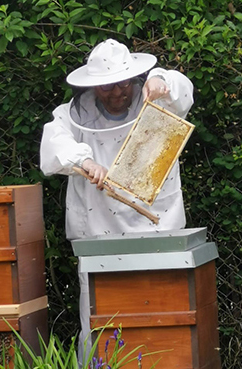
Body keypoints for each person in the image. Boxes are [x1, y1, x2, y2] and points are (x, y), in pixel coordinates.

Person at [39, 39, 195, 240]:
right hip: (98, 228)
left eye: (123, 82)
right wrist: (85, 162)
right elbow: (55, 141)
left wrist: (159, 79)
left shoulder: (159, 102)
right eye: (107, 86)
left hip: (159, 224)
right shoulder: (72, 115)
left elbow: (182, 90)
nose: (117, 92)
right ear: (94, 86)